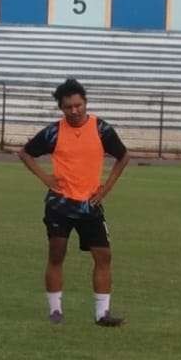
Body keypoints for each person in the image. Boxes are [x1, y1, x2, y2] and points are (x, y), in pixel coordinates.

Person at [16, 78, 131, 327]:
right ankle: (55, 311)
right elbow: (25, 153)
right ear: (61, 108)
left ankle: (102, 314)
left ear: (85, 103)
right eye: (68, 107)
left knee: (103, 256)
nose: (74, 110)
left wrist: (106, 189)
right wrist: (46, 178)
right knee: (57, 254)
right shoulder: (53, 132)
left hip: (90, 205)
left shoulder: (101, 129)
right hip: (60, 205)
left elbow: (124, 156)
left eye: (78, 105)